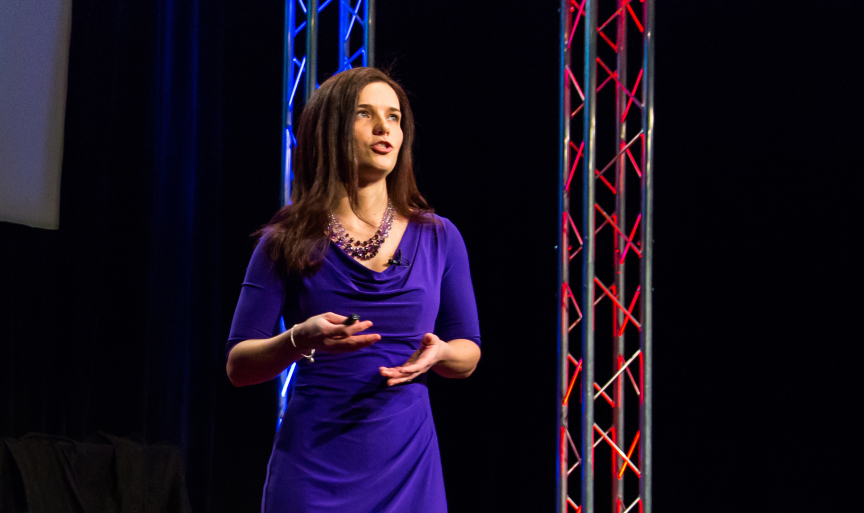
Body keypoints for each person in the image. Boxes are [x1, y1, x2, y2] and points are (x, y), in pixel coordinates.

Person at [225, 67, 482, 513]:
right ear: (331, 129)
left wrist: (440, 354)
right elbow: (238, 366)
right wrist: (297, 339)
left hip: (408, 464)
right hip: (314, 467)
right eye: (366, 115)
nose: (385, 128)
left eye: (395, 117)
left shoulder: (440, 236)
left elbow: (469, 351)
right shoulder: (286, 238)